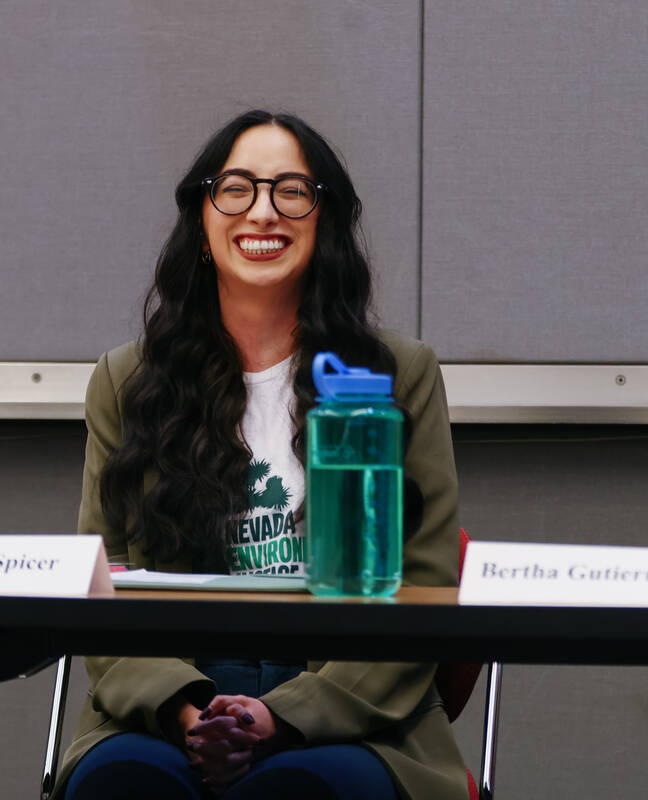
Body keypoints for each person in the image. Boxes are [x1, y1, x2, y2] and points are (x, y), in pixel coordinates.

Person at [60, 111, 468, 800]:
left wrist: (283, 715)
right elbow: (101, 586)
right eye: (238, 188)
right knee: (123, 784)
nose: (263, 211)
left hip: (350, 706)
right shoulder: (126, 381)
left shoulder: (397, 375)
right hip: (166, 701)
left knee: (299, 792)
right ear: (201, 218)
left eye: (292, 191)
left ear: (324, 220)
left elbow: (424, 588)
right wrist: (187, 713)